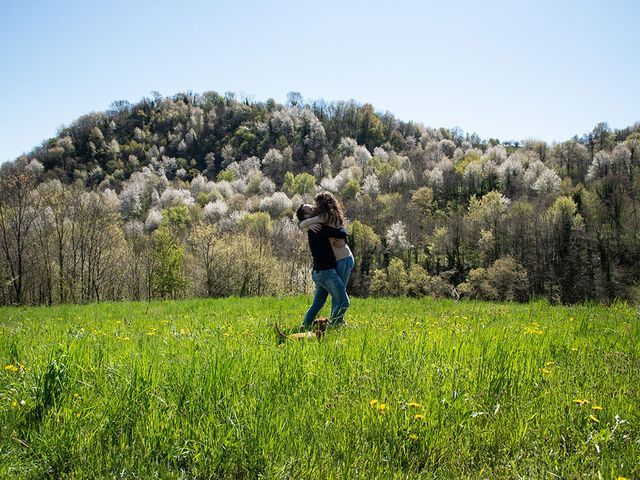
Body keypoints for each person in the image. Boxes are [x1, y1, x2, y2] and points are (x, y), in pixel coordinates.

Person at [299, 192, 355, 321]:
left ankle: (336, 323)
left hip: (343, 259)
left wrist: (307, 223)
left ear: (322, 204)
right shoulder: (328, 217)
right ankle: (337, 322)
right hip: (341, 259)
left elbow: (303, 224)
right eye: (312, 208)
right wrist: (307, 224)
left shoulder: (324, 216)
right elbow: (341, 232)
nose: (315, 207)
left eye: (316, 205)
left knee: (339, 297)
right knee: (338, 296)